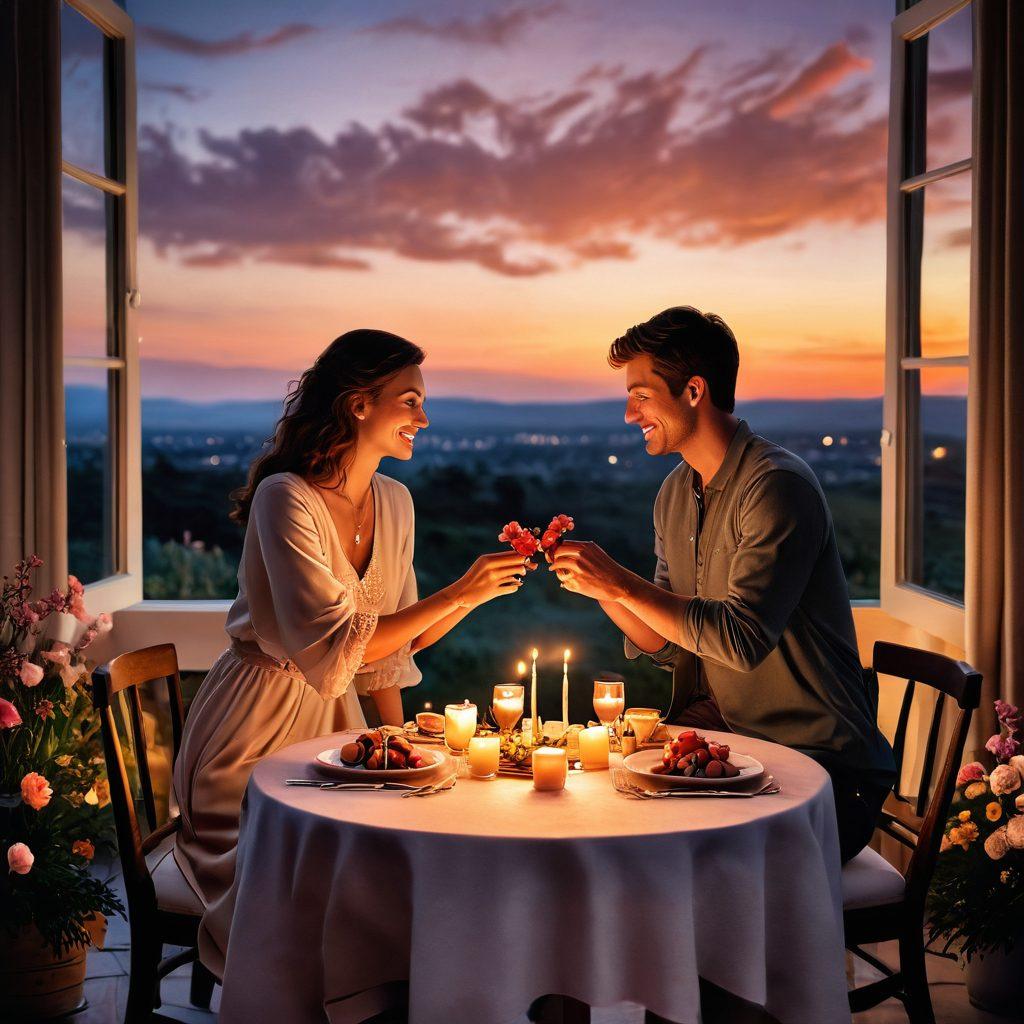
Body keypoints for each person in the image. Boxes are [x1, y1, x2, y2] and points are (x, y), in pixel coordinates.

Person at [173, 329, 528, 970]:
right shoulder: (285, 498)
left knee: (404, 838)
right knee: (325, 871)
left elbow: (395, 645)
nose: (424, 418)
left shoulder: (395, 501)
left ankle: (401, 996)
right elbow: (338, 643)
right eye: (410, 401)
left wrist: (399, 745)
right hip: (253, 735)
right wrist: (457, 590)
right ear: (359, 404)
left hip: (339, 729)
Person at [549, 306, 895, 863]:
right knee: (593, 812)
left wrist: (621, 581)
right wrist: (600, 588)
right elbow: (666, 645)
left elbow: (740, 641)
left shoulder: (776, 487)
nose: (629, 413)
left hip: (818, 769)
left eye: (641, 395)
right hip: (723, 742)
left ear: (693, 391)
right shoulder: (674, 492)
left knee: (654, 852)